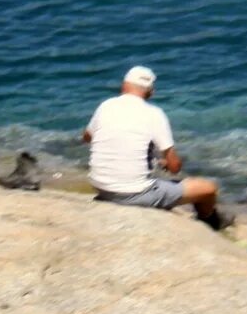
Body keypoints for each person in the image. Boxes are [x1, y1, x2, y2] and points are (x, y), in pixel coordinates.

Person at [83, 66, 225, 227]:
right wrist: (166, 162)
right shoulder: (154, 113)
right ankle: (210, 222)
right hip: (132, 195)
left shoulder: (106, 106)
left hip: (100, 187)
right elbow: (174, 167)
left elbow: (87, 138)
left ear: (124, 85)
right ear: (150, 91)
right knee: (208, 189)